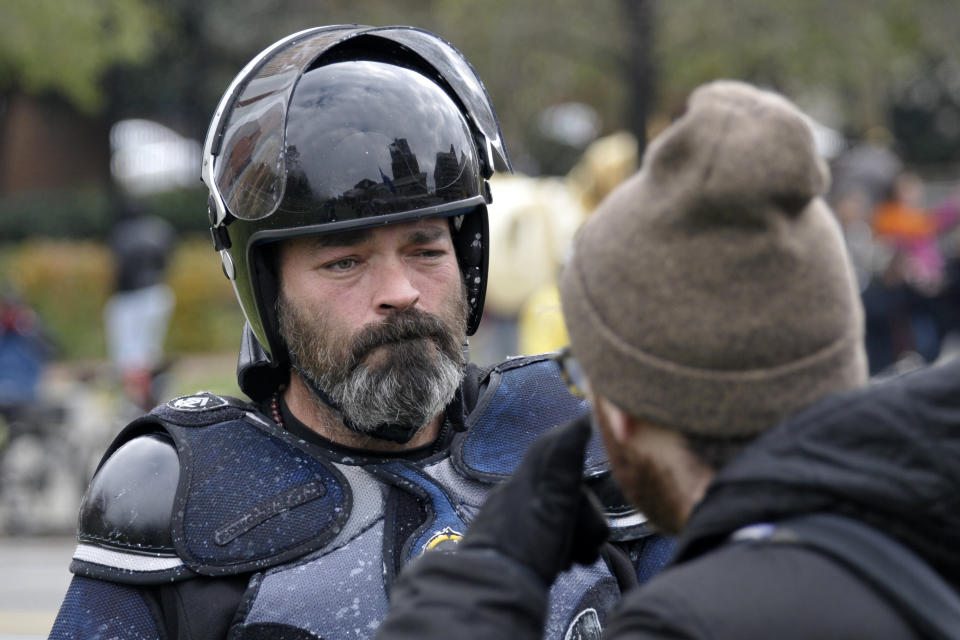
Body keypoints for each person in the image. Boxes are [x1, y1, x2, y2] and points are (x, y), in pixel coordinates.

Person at [49, 26, 671, 640]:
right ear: (267, 291)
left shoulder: (584, 440)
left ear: (468, 261)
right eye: (344, 261)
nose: (400, 291)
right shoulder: (177, 494)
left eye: (426, 249)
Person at [374, 81, 960, 638]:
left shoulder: (696, 622)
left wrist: (489, 569)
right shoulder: (906, 532)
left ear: (626, 411)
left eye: (587, 375)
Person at [103, 201, 177, 410]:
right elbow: (167, 261)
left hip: (129, 297)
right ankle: (150, 397)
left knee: (128, 356)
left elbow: (119, 269)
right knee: (147, 353)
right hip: (158, 292)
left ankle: (136, 400)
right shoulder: (161, 228)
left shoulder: (122, 233)